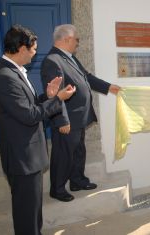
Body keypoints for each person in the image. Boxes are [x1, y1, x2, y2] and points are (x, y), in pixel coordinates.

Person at [0, 25, 75, 235]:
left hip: (28, 157)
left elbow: (28, 106)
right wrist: (58, 100)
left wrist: (48, 95)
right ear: (21, 48)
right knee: (27, 215)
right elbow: (29, 116)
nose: (35, 53)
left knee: (32, 211)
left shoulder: (13, 71)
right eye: (33, 49)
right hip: (22, 158)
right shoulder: (4, 76)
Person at [41, 24, 120, 202]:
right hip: (67, 118)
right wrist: (61, 121)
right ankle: (58, 188)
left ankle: (77, 180)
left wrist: (109, 87)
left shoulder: (69, 58)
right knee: (63, 154)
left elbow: (87, 77)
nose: (78, 43)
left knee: (78, 151)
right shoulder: (53, 60)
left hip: (79, 116)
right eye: (76, 39)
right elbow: (55, 96)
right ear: (67, 39)